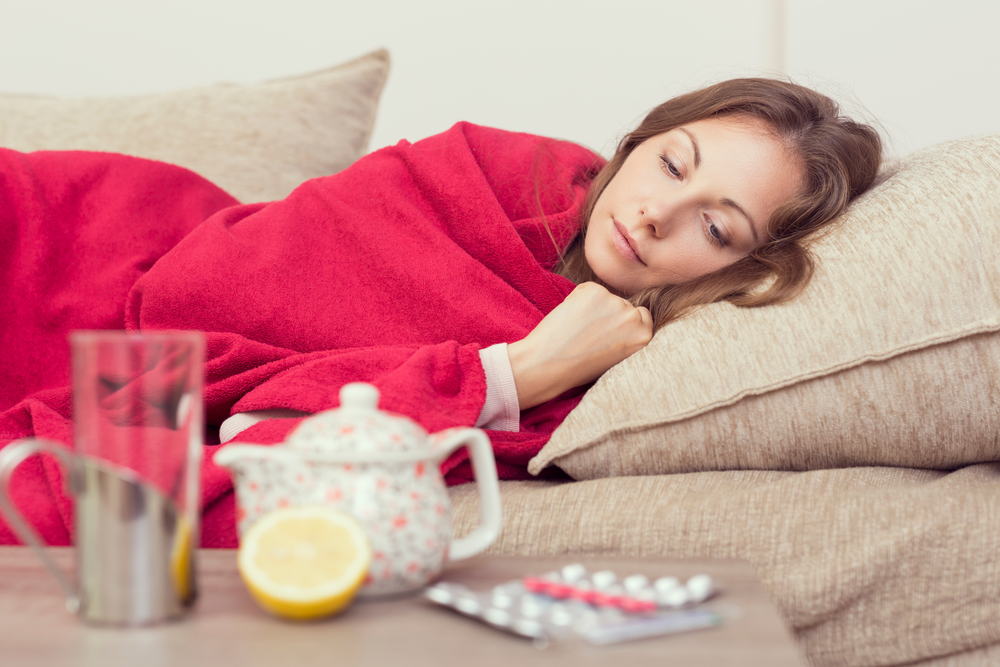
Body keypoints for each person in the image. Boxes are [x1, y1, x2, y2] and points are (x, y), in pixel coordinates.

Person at [0, 77, 881, 547]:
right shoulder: (492, 174)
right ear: (638, 142)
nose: (656, 211)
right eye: (673, 164)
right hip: (86, 239)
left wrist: (520, 371)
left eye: (716, 226)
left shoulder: (626, 366)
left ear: (746, 269)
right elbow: (205, 290)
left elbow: (279, 434)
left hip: (139, 375)